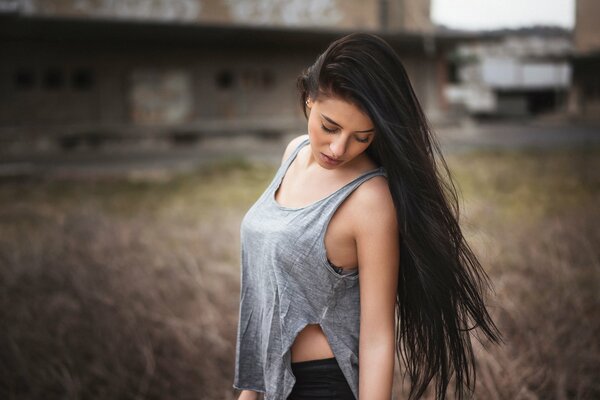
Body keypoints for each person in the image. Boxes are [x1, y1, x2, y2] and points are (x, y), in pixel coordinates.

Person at [233, 33, 502, 400]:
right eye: (329, 127)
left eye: (362, 137)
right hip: (272, 382)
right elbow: (271, 297)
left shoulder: (369, 200)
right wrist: (251, 392)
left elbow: (377, 338)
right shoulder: (294, 152)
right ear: (309, 98)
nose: (339, 148)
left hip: (323, 386)